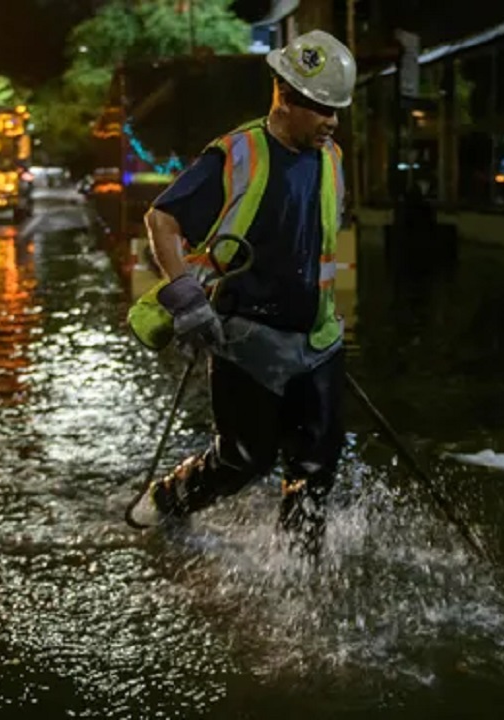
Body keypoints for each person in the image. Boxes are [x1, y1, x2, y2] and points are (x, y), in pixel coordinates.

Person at [129, 29, 357, 558]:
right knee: (243, 461)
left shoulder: (332, 158)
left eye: (337, 109)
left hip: (317, 338)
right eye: (323, 107)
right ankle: (168, 498)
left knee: (317, 465)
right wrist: (187, 298)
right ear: (286, 95)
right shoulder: (236, 154)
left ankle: (299, 574)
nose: (333, 121)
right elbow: (161, 219)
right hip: (247, 339)